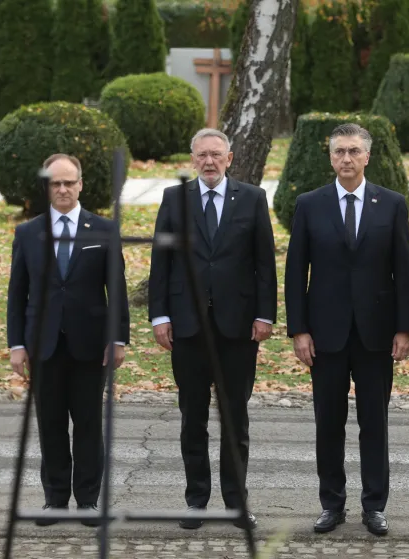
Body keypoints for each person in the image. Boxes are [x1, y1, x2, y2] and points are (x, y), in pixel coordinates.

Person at [284, 123, 409, 536]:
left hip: (377, 334)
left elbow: (404, 271)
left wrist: (404, 329)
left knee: (374, 422)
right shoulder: (309, 204)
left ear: (367, 157)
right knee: (329, 422)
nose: (346, 158)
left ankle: (374, 505)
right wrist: (299, 330)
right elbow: (294, 273)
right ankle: (332, 503)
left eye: (353, 151)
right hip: (325, 335)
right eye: (339, 151)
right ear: (330, 157)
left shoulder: (391, 204)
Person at [147, 128, 277, 530]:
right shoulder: (174, 199)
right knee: (193, 417)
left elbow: (264, 264)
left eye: (216, 155)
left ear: (229, 158)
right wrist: (160, 316)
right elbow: (161, 262)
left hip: (238, 328)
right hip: (187, 326)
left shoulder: (252, 199)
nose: (208, 161)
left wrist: (265, 315)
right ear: (193, 159)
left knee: (234, 418)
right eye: (202, 155)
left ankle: (236, 502)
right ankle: (196, 501)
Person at [6, 153, 129, 527]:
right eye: (55, 183)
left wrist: (118, 338)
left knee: (89, 423)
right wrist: (16, 344)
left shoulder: (103, 230)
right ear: (47, 186)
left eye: (68, 182)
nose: (62, 189)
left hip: (91, 345)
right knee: (51, 424)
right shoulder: (28, 233)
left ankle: (88, 501)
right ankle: (55, 499)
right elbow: (17, 293)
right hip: (42, 345)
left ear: (80, 184)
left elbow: (117, 290)